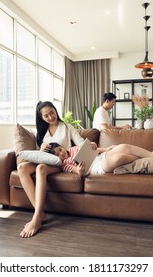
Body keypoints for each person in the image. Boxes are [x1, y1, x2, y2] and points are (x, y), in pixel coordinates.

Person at [17, 101, 96, 238]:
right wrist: (41, 148)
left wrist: (91, 144)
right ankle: (40, 214)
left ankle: (36, 219)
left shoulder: (66, 127)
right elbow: (37, 153)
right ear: (42, 118)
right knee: (22, 167)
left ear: (56, 110)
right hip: (45, 160)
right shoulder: (42, 133)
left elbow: (81, 144)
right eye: (46, 116)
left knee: (41, 169)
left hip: (59, 163)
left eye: (52, 113)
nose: (50, 117)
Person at [49, 142, 153, 176]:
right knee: (119, 158)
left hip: (100, 156)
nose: (61, 153)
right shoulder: (64, 164)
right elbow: (77, 172)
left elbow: (94, 150)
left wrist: (106, 149)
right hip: (96, 167)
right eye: (57, 154)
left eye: (60, 149)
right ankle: (149, 157)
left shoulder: (72, 149)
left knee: (124, 146)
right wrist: (80, 171)